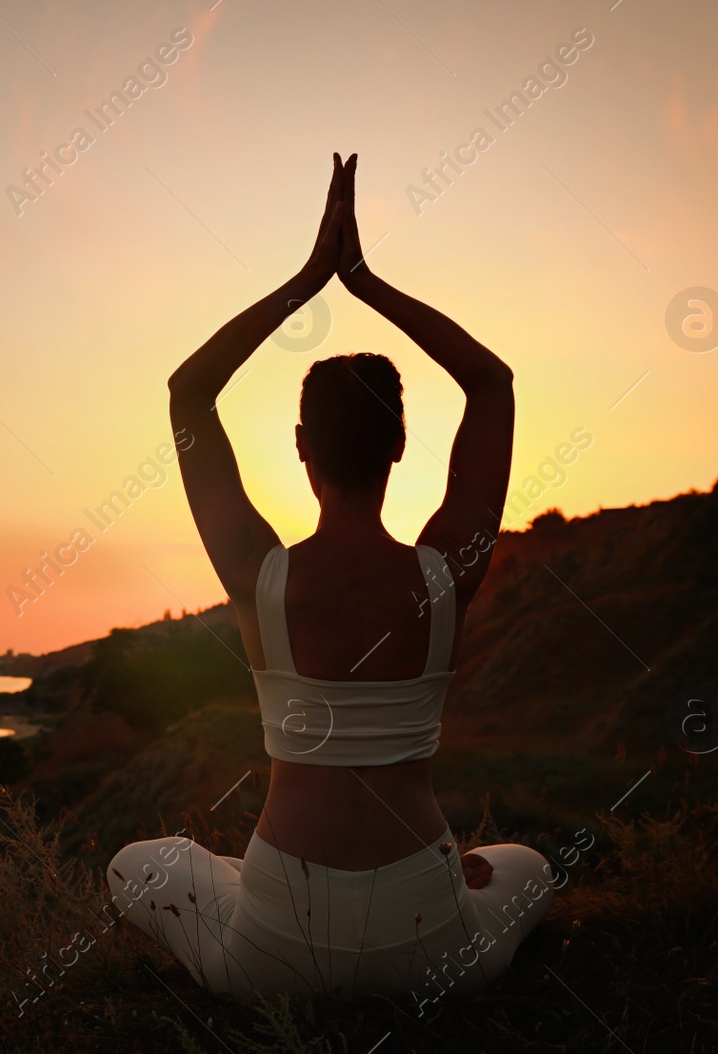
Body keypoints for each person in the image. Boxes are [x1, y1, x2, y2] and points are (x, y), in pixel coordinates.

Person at [106, 153, 555, 1003]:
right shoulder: (446, 575)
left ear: (304, 449)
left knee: (137, 866)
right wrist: (366, 282)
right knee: (528, 867)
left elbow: (189, 390)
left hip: (278, 949)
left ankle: (252, 881)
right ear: (399, 447)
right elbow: (491, 385)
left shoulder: (256, 575)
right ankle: (427, 888)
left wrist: (310, 278)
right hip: (433, 948)